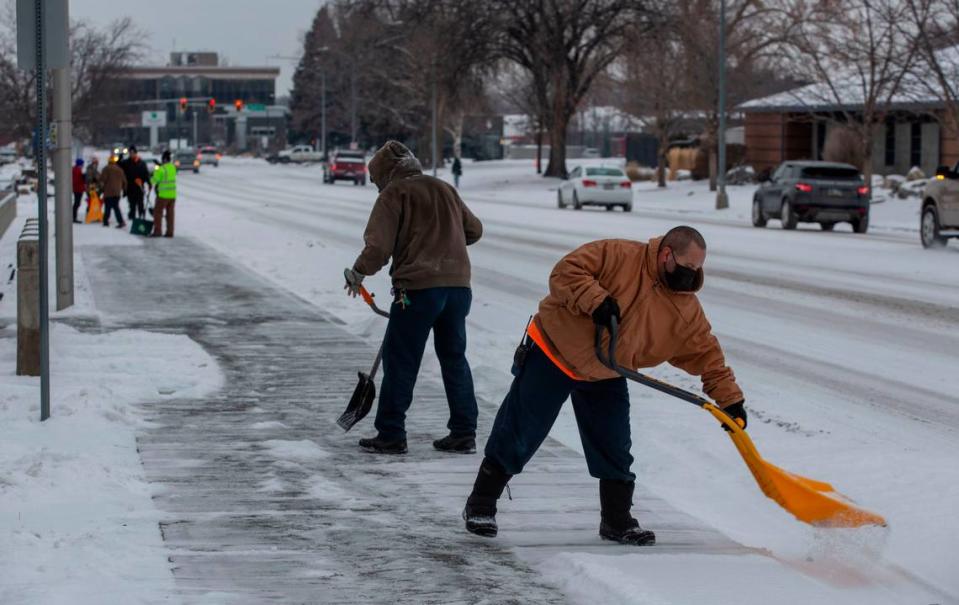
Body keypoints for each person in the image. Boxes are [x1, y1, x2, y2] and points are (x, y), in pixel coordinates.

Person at [462, 226, 746, 546]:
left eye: (698, 268)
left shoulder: (685, 308)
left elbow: (706, 354)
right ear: (667, 255)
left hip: (607, 370)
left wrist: (730, 400)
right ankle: (481, 504)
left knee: (614, 444)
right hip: (555, 351)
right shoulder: (617, 254)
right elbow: (566, 272)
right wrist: (596, 301)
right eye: (688, 266)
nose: (692, 275)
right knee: (520, 431)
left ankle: (617, 520)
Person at [344, 140, 483, 455]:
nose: (376, 186)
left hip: (417, 291)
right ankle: (464, 433)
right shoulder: (444, 188)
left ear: (384, 173)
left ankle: (391, 433)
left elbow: (378, 248)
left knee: (401, 360)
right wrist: (445, 244)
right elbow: (474, 230)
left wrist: (358, 272)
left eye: (376, 179)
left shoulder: (394, 194)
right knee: (454, 358)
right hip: (458, 289)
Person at [150, 150, 177, 237]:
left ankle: (157, 231)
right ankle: (170, 232)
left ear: (164, 159)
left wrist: (153, 173)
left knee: (157, 213)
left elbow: (154, 180)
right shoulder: (173, 167)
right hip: (172, 195)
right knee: (170, 215)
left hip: (162, 195)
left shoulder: (161, 169)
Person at [120, 145, 151, 220]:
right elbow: (119, 167)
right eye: (130, 153)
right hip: (130, 187)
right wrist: (120, 158)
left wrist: (149, 182)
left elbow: (146, 174)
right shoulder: (126, 163)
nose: (132, 154)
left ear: (136, 153)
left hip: (139, 187)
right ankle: (132, 216)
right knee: (132, 204)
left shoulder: (141, 163)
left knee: (140, 203)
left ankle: (141, 216)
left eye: (133, 153)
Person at [99, 155, 127, 228]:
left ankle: (106, 221)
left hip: (108, 192)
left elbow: (102, 180)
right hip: (117, 192)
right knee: (116, 207)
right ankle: (120, 221)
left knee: (107, 207)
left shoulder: (106, 169)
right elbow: (124, 181)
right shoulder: (120, 170)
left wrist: (101, 189)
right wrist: (124, 190)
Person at [71, 158, 85, 223]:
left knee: (77, 203)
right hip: (78, 189)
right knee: (77, 203)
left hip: (77, 189)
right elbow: (76, 180)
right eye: (82, 164)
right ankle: (73, 217)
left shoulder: (76, 169)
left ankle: (73, 217)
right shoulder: (77, 170)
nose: (83, 165)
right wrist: (83, 178)